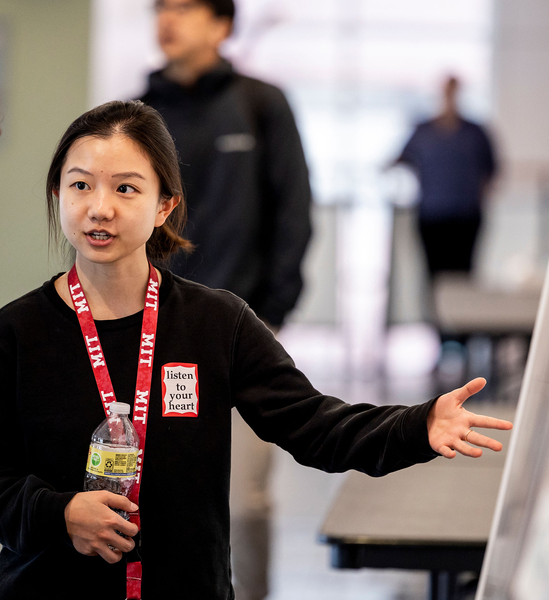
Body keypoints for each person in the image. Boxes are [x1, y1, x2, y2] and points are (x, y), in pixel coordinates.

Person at [0, 100, 512, 599]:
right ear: (58, 194)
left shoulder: (216, 323)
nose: (100, 208)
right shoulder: (12, 336)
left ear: (165, 204)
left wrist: (419, 426)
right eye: (80, 185)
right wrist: (60, 513)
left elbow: (316, 425)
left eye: (126, 187)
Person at [140, 2, 311, 596]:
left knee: (243, 499)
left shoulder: (261, 105)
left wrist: (271, 313)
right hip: (151, 334)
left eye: (183, 7)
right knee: (150, 493)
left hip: (242, 332)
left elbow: (294, 210)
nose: (167, 18)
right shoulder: (141, 115)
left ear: (221, 25)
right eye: (160, 7)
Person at [392, 75, 497, 276]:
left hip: (466, 218)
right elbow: (401, 159)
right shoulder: (424, 132)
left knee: (462, 276)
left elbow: (491, 171)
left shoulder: (475, 133)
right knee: (434, 275)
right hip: (432, 216)